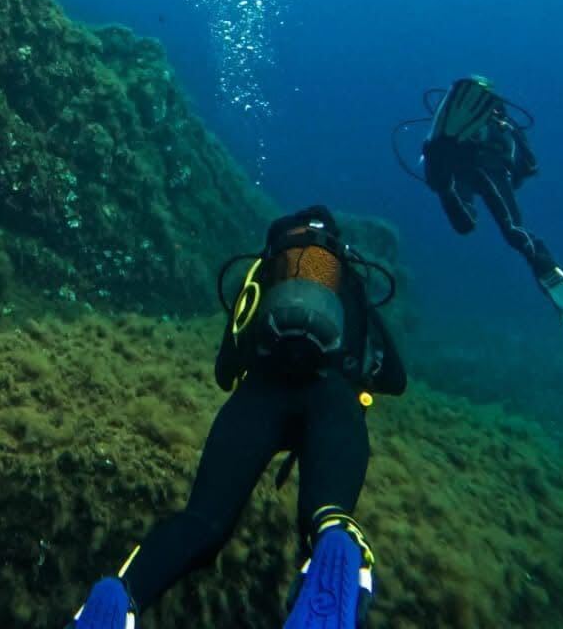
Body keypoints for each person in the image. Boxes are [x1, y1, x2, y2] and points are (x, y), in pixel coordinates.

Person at [69, 205, 406, 629]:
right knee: (328, 514)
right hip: (333, 401)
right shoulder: (349, 280)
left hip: (259, 397)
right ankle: (335, 549)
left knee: (202, 521)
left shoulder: (262, 276)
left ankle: (118, 596)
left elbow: (224, 370)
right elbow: (395, 377)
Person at [414, 76, 563, 391]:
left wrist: (443, 158)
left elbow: (512, 166)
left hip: (471, 165)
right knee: (501, 226)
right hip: (466, 165)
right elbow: (523, 168)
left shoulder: (495, 131)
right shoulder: (494, 129)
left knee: (484, 221)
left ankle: (542, 264)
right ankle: (543, 266)